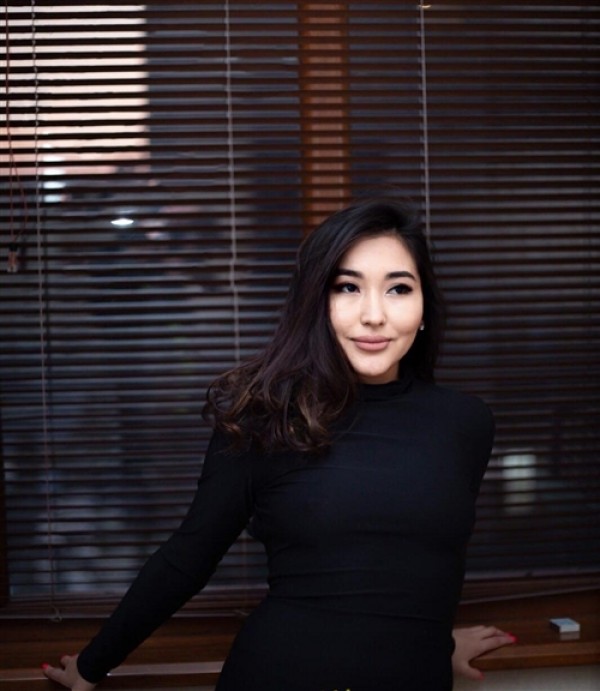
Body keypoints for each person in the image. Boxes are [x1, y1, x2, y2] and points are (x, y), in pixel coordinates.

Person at [43, 198, 516, 690]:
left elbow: (419, 563)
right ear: (316, 304)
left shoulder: (465, 424)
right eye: (347, 287)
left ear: (423, 309)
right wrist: (92, 665)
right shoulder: (265, 421)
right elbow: (187, 558)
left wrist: (438, 643)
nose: (374, 315)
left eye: (398, 288)